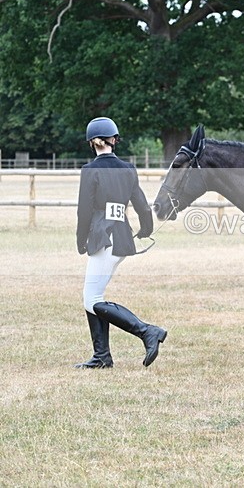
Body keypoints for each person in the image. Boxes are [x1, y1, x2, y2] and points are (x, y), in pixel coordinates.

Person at [75, 117, 167, 368]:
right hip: (122, 238)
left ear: (91, 143)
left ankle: (147, 331)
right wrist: (146, 229)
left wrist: (80, 239)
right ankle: (102, 356)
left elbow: (84, 210)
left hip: (103, 237)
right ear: (114, 140)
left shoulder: (90, 170)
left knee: (92, 299)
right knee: (94, 296)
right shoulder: (128, 169)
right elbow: (141, 205)